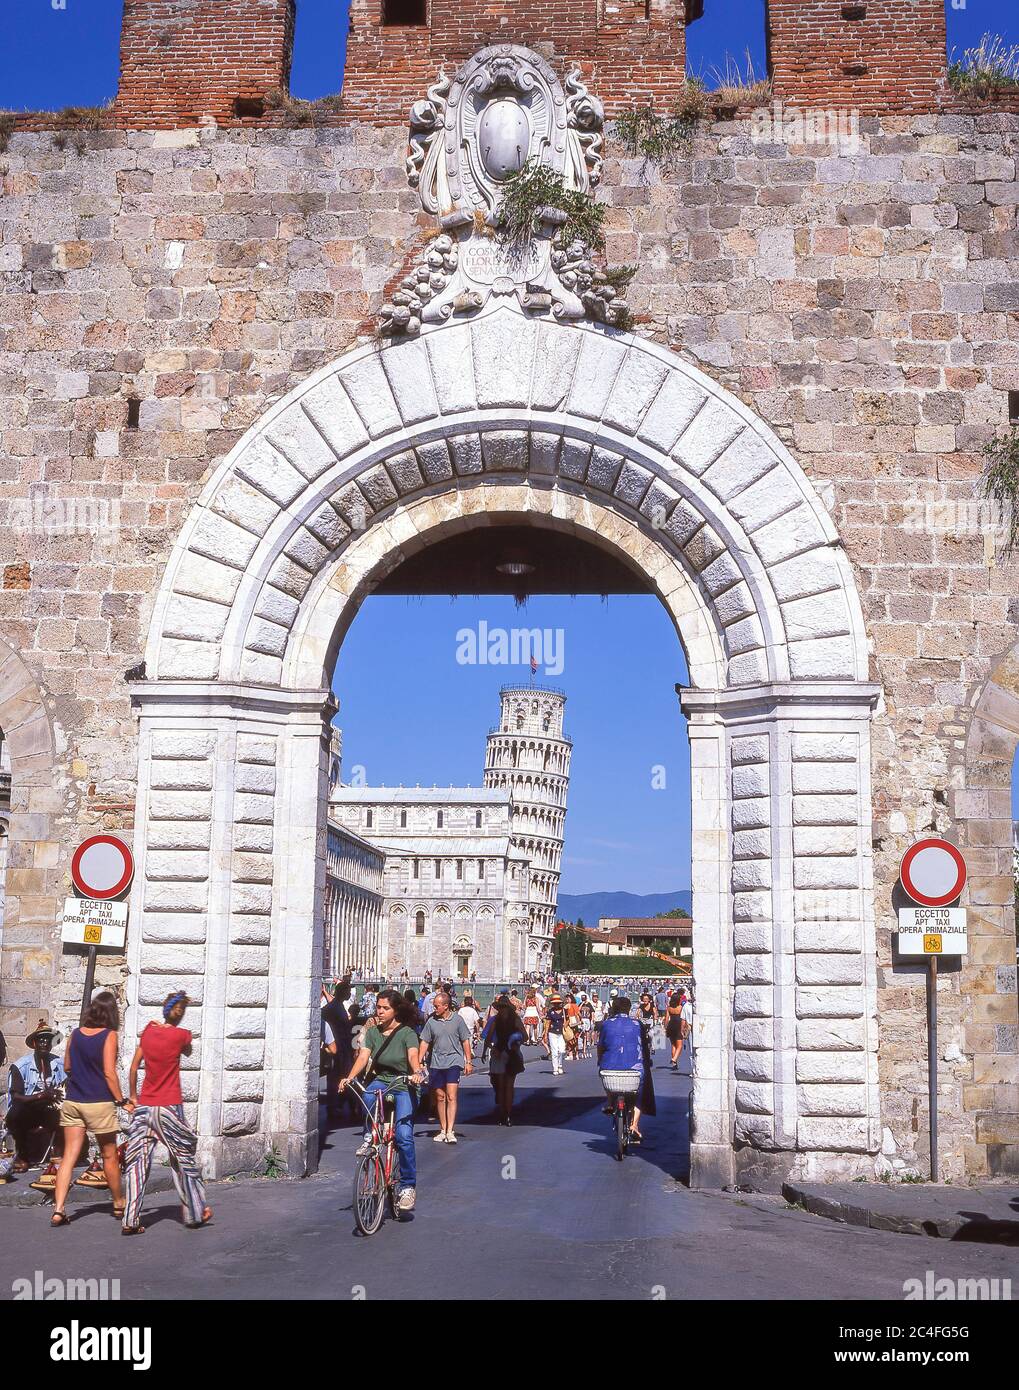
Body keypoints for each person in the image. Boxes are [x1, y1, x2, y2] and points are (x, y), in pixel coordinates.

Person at [121, 991, 211, 1235]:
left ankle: (130, 1219)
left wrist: (132, 1097)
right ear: (179, 1013)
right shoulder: (182, 1035)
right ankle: (195, 1211)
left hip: (144, 1107)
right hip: (169, 1106)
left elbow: (133, 1067)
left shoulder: (149, 1032)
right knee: (183, 1157)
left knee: (137, 1164)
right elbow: (188, 1050)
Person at [50, 992, 132, 1228]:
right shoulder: (109, 1035)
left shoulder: (75, 1034)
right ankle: (118, 1203)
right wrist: (121, 1100)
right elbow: (109, 1072)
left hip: (74, 1101)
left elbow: (67, 1066)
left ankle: (58, 1209)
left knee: (68, 1157)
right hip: (99, 1102)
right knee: (109, 1155)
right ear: (111, 1013)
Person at [340, 990, 423, 1213]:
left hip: (403, 1083)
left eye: (385, 1008)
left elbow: (413, 1057)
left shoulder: (407, 1033)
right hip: (381, 1080)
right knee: (367, 1094)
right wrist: (349, 1077)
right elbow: (363, 1057)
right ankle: (371, 1133)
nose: (380, 1011)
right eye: (378, 1007)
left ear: (396, 1010)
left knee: (404, 1135)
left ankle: (407, 1187)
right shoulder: (373, 1033)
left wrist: (416, 1073)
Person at [6, 1020, 66, 1172]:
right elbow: (17, 1097)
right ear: (34, 1043)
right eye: (41, 1039)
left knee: (71, 1111)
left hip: (50, 1109)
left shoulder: (59, 1064)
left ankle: (57, 1154)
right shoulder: (21, 1066)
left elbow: (69, 1083)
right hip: (28, 1110)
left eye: (48, 1040)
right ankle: (23, 1156)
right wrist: (42, 1095)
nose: (45, 1043)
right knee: (15, 1114)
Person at [418, 992, 473, 1143]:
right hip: (436, 1062)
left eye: (437, 1006)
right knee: (440, 1097)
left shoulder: (458, 1020)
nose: (434, 1008)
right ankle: (443, 1129)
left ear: (446, 1006)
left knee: (451, 1096)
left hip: (453, 1062)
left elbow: (465, 1041)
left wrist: (468, 1061)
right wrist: (418, 1061)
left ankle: (450, 1130)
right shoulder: (431, 1022)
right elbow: (424, 1042)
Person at [597, 996, 644, 1142]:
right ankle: (635, 1125)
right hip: (634, 1068)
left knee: (606, 1079)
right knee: (641, 1094)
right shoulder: (637, 1024)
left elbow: (601, 1046)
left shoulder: (606, 1024)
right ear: (629, 1009)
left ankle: (610, 1101)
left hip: (609, 1067)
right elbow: (645, 1044)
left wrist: (600, 1060)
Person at [482, 1000, 525, 1125]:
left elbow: (488, 1038)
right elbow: (525, 1036)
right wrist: (516, 1044)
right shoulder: (515, 1020)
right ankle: (507, 1115)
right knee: (508, 1087)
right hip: (510, 1053)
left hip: (500, 1053)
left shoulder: (495, 1020)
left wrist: (488, 1049)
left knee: (502, 1087)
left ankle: (503, 1114)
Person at [321, 981, 354, 1121]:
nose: (349, 993)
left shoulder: (337, 1005)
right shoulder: (334, 1007)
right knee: (336, 1077)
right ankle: (334, 1105)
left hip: (342, 1046)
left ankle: (338, 1104)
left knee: (340, 1076)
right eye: (347, 991)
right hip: (339, 1047)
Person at [542, 994, 567, 1076]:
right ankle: (556, 1068)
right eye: (554, 1003)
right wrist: (545, 1034)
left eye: (557, 1003)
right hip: (552, 1032)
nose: (556, 1005)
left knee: (562, 1050)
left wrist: (566, 1024)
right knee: (554, 1051)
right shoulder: (550, 1012)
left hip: (562, 1033)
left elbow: (568, 1020)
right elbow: (547, 1023)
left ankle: (560, 1065)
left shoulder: (564, 1011)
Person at [665, 989, 686, 1071]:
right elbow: (683, 1018)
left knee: (673, 1045)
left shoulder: (669, 1008)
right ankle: (674, 1059)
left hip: (671, 1025)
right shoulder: (681, 1007)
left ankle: (675, 1063)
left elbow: (666, 1019)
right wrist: (684, 1029)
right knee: (679, 1045)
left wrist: (666, 1027)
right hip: (678, 1025)